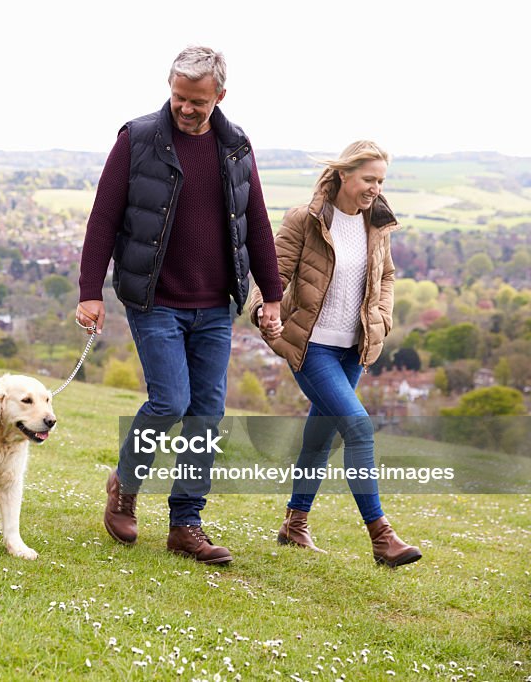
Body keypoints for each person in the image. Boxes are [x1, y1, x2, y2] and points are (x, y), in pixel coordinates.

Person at [76, 45, 284, 565]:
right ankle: (124, 487)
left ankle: (185, 525)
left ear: (220, 95)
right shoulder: (138, 138)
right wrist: (89, 291)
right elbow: (103, 218)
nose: (186, 109)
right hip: (155, 298)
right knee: (170, 402)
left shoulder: (235, 145)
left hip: (215, 304)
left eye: (197, 101)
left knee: (206, 415)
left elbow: (255, 222)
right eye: (178, 97)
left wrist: (272, 296)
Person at [246, 140, 422, 568]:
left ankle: (294, 523)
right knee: (359, 428)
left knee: (321, 436)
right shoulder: (304, 220)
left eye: (380, 180)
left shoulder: (376, 224)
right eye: (368, 179)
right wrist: (261, 310)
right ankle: (382, 537)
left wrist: (381, 319)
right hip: (311, 346)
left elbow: (387, 276)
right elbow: (275, 273)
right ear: (344, 175)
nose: (375, 189)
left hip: (351, 350)